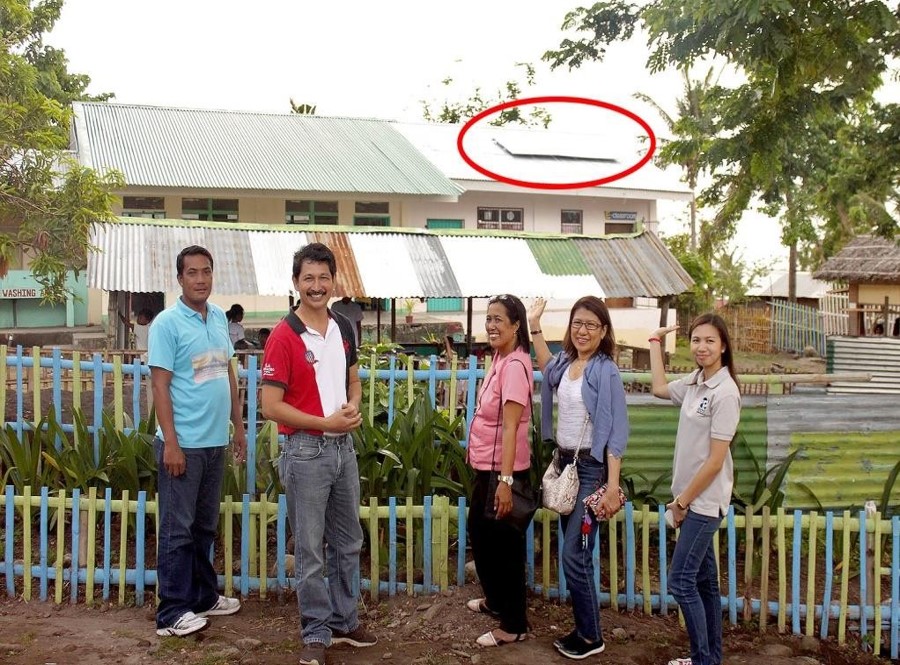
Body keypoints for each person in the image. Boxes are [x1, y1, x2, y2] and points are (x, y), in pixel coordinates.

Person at [260, 243, 376, 665]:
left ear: (333, 282)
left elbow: (353, 381)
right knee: (310, 549)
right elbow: (270, 406)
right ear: (296, 283)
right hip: (306, 451)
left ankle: (344, 621)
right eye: (307, 278)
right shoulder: (283, 337)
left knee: (348, 541)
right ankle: (315, 631)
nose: (316, 285)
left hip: (343, 448)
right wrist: (325, 422)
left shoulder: (343, 326)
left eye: (323, 277)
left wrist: (353, 406)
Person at [148, 245, 247, 637]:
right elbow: (160, 386)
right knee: (178, 529)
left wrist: (238, 427)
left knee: (204, 526)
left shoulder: (219, 317)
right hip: (183, 444)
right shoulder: (166, 324)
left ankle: (203, 597)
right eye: (192, 272)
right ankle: (171, 613)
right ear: (179, 279)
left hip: (214, 442)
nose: (201, 279)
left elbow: (227, 374)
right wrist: (171, 443)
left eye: (206, 271)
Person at [527, 296, 628, 659]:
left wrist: (611, 487)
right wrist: (534, 324)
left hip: (591, 471)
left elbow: (616, 431)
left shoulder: (605, 370)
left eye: (591, 325)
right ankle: (586, 631)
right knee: (576, 554)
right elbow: (546, 368)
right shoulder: (566, 362)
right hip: (566, 466)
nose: (583, 331)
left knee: (575, 554)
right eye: (577, 323)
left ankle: (590, 636)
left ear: (603, 331)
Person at [649, 314, 741, 665]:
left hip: (702, 502)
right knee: (704, 583)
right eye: (696, 340)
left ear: (724, 346)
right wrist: (655, 343)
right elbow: (659, 389)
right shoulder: (695, 382)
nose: (702, 347)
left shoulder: (725, 392)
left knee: (680, 581)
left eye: (710, 341)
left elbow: (716, 461)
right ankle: (710, 659)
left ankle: (702, 659)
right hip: (690, 500)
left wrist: (682, 502)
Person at [465, 293, 534, 648]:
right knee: (480, 533)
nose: (491, 325)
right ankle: (495, 601)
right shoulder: (499, 358)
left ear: (516, 325)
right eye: (488, 318)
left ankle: (514, 625)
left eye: (498, 320)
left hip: (503, 472)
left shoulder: (515, 366)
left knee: (506, 548)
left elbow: (510, 427)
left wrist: (505, 482)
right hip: (486, 468)